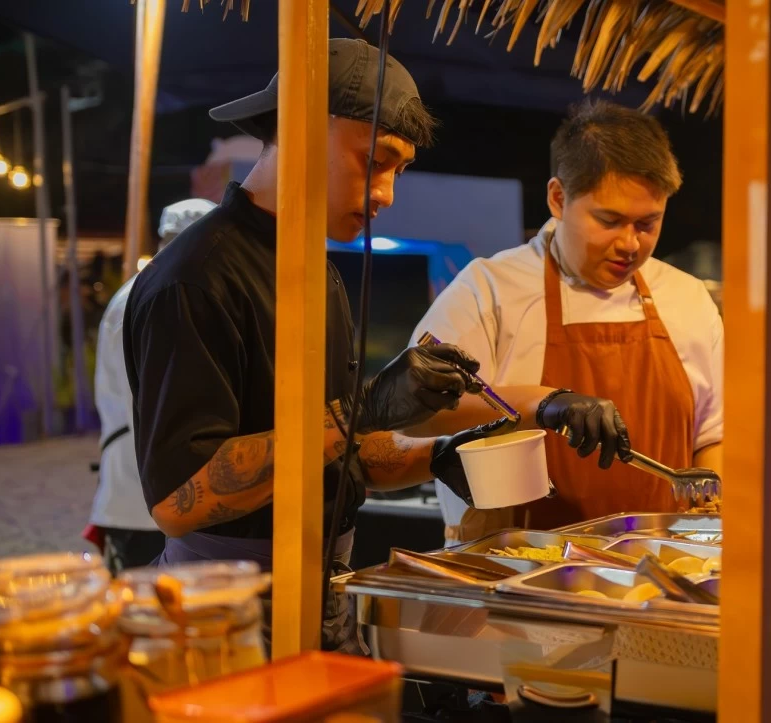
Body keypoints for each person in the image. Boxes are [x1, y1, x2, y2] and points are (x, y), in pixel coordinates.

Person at [123, 38, 503, 647]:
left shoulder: (313, 269)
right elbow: (176, 498)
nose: (386, 196)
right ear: (302, 130)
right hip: (229, 610)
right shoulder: (195, 278)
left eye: (398, 171)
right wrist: (364, 408)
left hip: (326, 587)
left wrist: (435, 456)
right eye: (375, 161)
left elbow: (333, 444)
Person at [408, 100, 724, 542]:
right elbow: (414, 412)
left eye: (648, 224)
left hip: (661, 568)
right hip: (515, 568)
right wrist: (544, 402)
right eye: (609, 221)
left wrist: (710, 499)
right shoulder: (490, 289)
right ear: (559, 198)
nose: (630, 244)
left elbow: (715, 434)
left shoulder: (686, 298)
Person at [87, 198, 217, 574]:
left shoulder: (145, 290)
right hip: (146, 501)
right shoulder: (162, 296)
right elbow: (166, 409)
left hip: (141, 496)